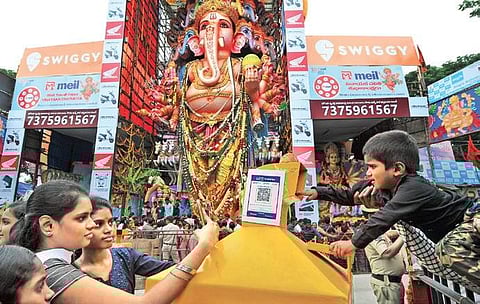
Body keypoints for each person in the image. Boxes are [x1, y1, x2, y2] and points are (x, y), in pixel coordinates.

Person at [299, 130, 479, 286]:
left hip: (470, 221)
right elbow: (349, 194)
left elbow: (385, 217)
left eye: (372, 167)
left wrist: (352, 243)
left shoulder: (412, 187)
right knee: (446, 250)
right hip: (456, 235)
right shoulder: (384, 188)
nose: (367, 172)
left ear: (397, 169)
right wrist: (316, 192)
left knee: (448, 249)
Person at [13, 180, 219, 304]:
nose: (92, 226)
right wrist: (204, 245)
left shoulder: (52, 264)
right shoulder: (52, 270)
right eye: (81, 218)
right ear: (48, 226)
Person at [75, 197, 174, 293]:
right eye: (98, 224)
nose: (109, 229)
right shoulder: (71, 272)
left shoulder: (125, 255)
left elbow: (168, 269)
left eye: (110, 222)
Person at [362, 206, 405, 304]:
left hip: (391, 282)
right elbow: (387, 253)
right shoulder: (372, 232)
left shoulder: (378, 231)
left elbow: (390, 234)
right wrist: (404, 235)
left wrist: (400, 232)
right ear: (371, 215)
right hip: (387, 283)